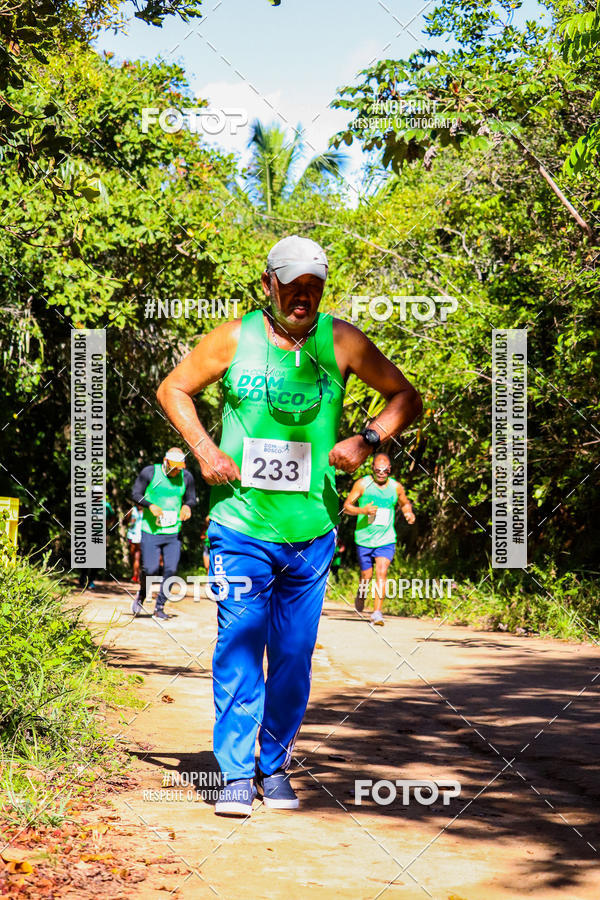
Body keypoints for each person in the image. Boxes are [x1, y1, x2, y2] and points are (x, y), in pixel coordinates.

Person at [156, 235, 422, 816]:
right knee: (240, 642)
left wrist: (368, 437)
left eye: (314, 288)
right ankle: (232, 774)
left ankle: (272, 766)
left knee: (295, 654)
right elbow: (173, 388)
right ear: (268, 284)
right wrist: (204, 448)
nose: (303, 297)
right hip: (240, 524)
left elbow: (406, 396)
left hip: (312, 530)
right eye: (293, 286)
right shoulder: (235, 337)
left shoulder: (342, 340)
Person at [344, 453, 415, 625]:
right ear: (373, 469)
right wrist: (363, 511)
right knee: (366, 576)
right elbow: (346, 507)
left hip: (386, 539)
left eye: (385, 470)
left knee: (381, 573)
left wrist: (408, 512)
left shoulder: (396, 487)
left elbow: (404, 502)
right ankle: (361, 594)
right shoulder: (362, 484)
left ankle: (377, 612)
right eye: (378, 470)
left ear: (390, 469)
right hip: (364, 539)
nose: (382, 473)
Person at [130, 448, 197, 621]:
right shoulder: (150, 472)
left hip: (173, 531)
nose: (176, 471)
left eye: (179, 468)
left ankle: (159, 607)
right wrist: (149, 505)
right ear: (165, 461)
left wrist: (187, 507)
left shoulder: (186, 477)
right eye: (173, 467)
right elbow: (135, 493)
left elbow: (191, 498)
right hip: (150, 530)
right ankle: (142, 594)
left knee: (171, 569)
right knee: (150, 569)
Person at [126, 504, 143, 583]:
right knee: (134, 556)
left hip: (141, 536)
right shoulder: (132, 510)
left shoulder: (146, 510)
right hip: (131, 536)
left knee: (138, 556)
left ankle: (138, 576)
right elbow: (126, 520)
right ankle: (136, 575)